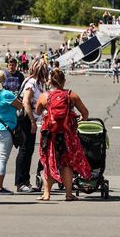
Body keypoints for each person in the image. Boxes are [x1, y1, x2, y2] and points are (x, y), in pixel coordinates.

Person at [36, 68, 91, 201]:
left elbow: (38, 111)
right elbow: (85, 112)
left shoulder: (45, 96)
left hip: (50, 134)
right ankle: (68, 194)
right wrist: (77, 121)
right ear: (64, 81)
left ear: (50, 82)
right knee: (67, 163)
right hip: (67, 134)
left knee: (49, 161)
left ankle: (46, 194)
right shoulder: (71, 95)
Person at [15, 58, 48, 193]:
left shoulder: (36, 83)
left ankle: (25, 181)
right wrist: (33, 122)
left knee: (28, 150)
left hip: (31, 119)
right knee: (25, 150)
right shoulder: (32, 83)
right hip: (27, 120)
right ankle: (21, 182)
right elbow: (26, 102)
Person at [0, 69, 22, 196]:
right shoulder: (6, 94)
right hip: (5, 129)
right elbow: (20, 106)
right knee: (2, 159)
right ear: (4, 80)